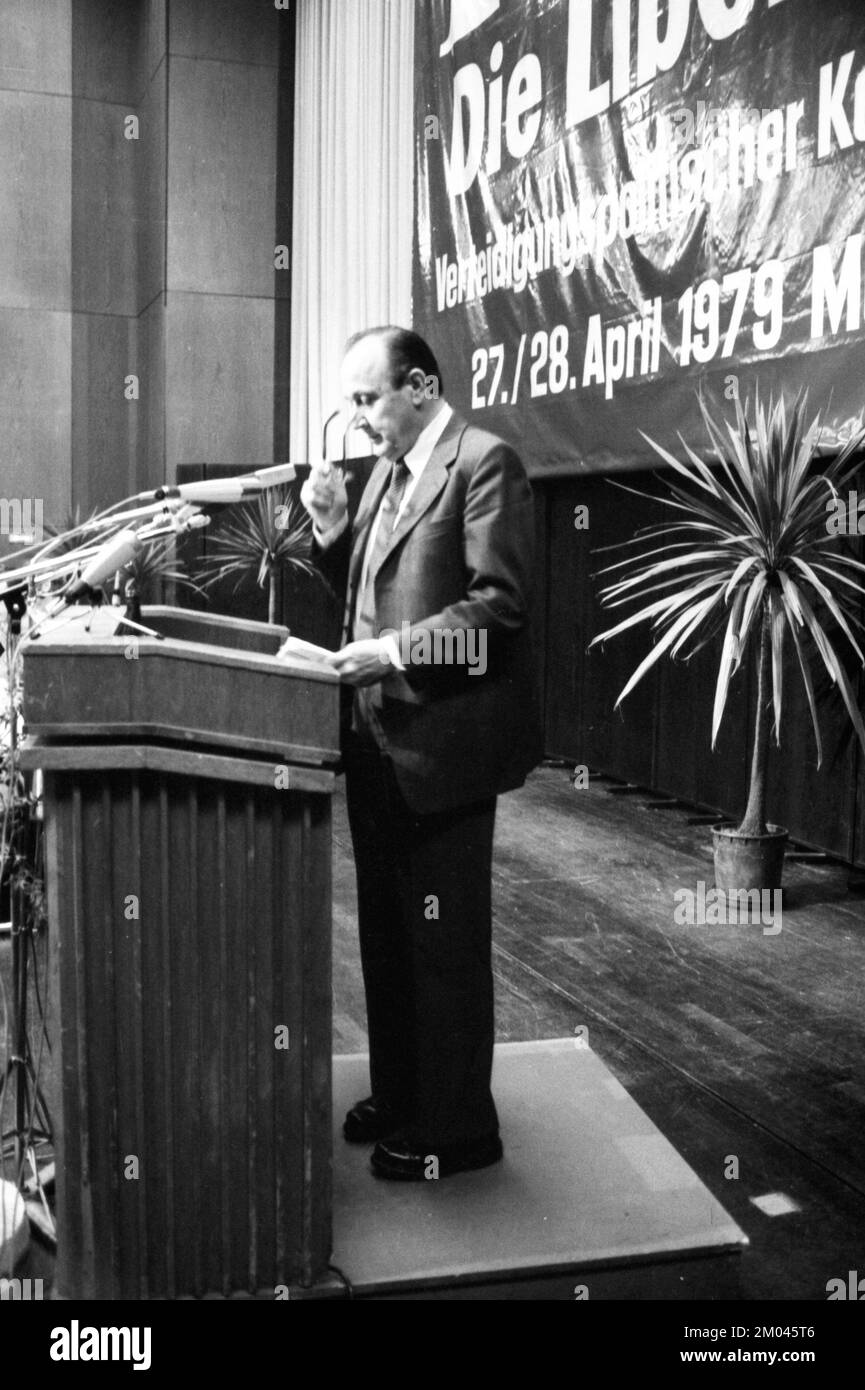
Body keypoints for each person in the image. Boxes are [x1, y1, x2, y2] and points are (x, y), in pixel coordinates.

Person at [301, 325, 541, 1180]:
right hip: (375, 742)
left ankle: (460, 1128)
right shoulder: (385, 474)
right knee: (388, 935)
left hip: (444, 751)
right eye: (352, 402)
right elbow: (374, 593)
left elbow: (497, 611)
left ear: (420, 387)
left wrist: (395, 653)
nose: (357, 418)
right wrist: (333, 533)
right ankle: (405, 1093)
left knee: (442, 944)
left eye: (367, 399)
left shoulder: (483, 463)